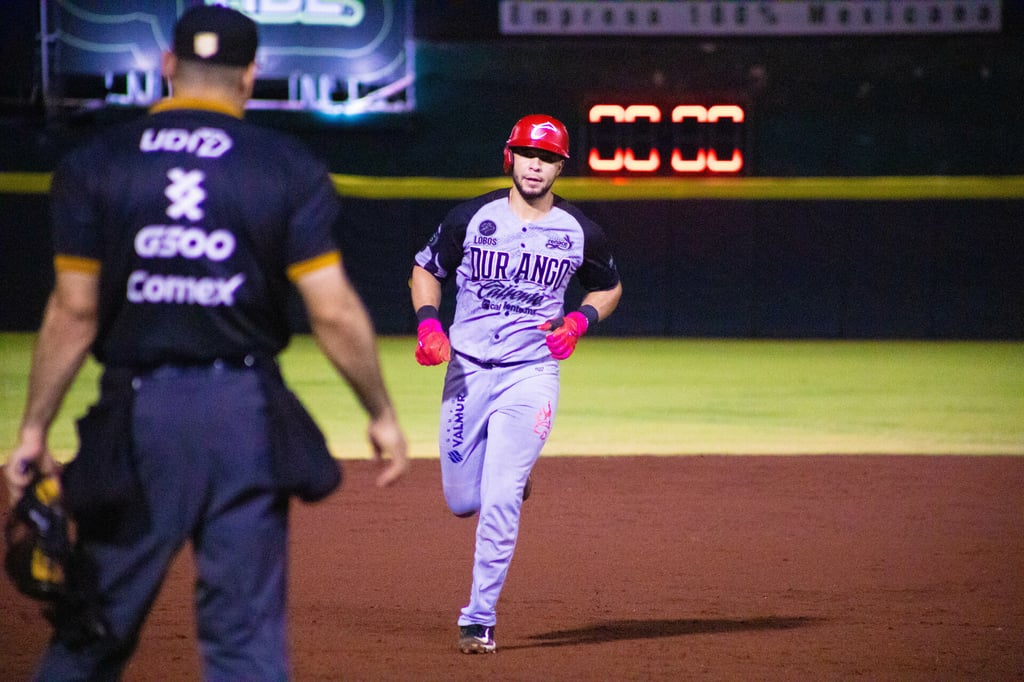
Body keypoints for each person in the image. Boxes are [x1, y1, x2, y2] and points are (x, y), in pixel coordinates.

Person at [2, 5, 409, 679]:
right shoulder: (284, 165)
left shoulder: (95, 163)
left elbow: (73, 312)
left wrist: (34, 428)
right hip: (242, 414)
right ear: (251, 75)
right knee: (243, 642)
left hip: (136, 415)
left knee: (92, 626)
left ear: (167, 67)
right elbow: (332, 311)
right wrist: (381, 413)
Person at [410, 114, 623, 654]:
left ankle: (478, 618)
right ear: (510, 157)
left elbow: (609, 288)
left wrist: (580, 321)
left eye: (548, 157)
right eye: (528, 153)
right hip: (467, 368)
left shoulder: (580, 231)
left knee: (499, 497)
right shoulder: (470, 216)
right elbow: (425, 269)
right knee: (463, 500)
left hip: (530, 374)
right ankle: (512, 475)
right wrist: (430, 323)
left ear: (560, 167)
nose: (537, 164)